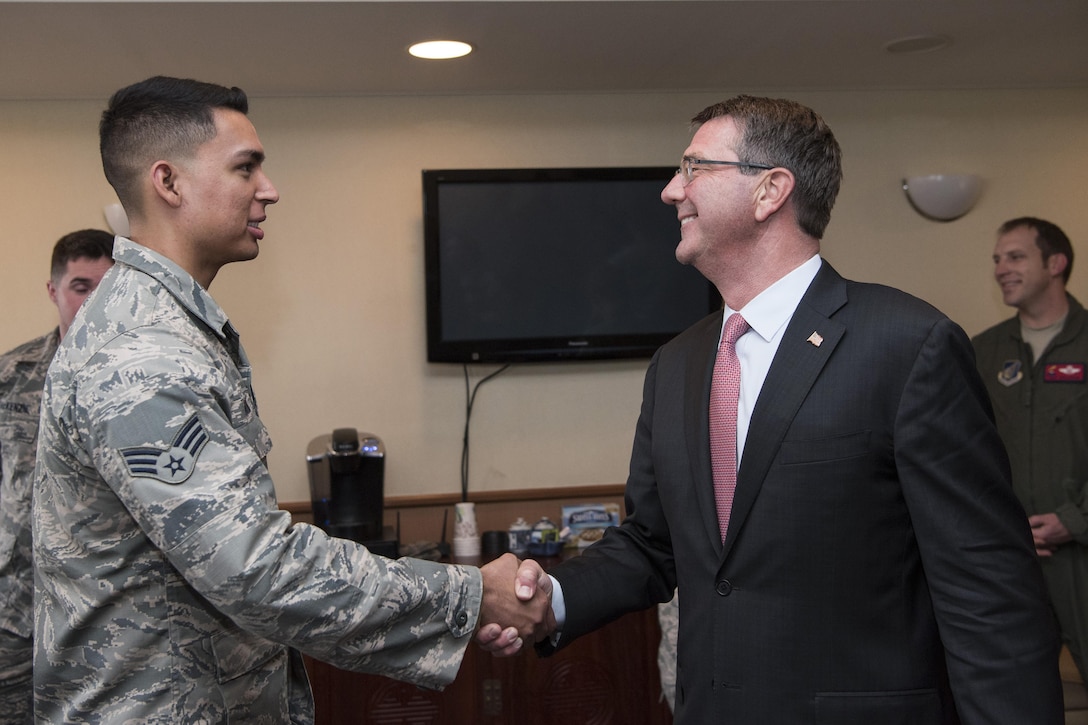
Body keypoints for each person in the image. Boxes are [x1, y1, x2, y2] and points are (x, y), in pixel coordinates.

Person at [480, 95, 1065, 723]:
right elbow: (654, 544)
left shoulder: (906, 344)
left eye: (694, 167)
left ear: (770, 191)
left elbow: (988, 591)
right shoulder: (676, 365)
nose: (671, 191)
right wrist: (552, 598)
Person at [32, 76, 549, 723]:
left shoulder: (164, 324)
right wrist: (469, 594)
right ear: (169, 182)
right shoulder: (141, 352)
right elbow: (254, 565)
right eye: (246, 167)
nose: (268, 189)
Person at [0, 229, 114, 724]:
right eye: (80, 286)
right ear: (54, 291)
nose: (92, 302)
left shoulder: (141, 382)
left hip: (104, 616)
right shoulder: (10, 377)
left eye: (106, 289)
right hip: (14, 612)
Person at [972, 217, 1088, 683]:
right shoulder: (981, 350)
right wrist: (1000, 524)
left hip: (1080, 554)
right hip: (1012, 557)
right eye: (997, 259)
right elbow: (964, 455)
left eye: (1015, 256)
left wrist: (1073, 521)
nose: (1001, 268)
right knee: (1013, 692)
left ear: (1055, 263)